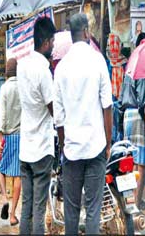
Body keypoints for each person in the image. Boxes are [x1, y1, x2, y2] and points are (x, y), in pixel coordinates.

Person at [54, 14, 113, 236]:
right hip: (96, 147)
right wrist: (108, 143)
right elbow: (107, 106)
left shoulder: (61, 68)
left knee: (71, 211)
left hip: (72, 150)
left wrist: (63, 145)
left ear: (71, 34)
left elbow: (58, 118)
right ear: (87, 32)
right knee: (93, 211)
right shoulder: (97, 61)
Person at [17, 16, 56, 235]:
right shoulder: (43, 71)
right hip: (41, 148)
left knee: (27, 208)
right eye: (53, 42)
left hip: (26, 148)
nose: (53, 47)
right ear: (47, 42)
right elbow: (53, 110)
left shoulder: (22, 65)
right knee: (39, 210)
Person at [121, 32, 145, 210]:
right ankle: (136, 204)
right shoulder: (142, 67)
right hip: (138, 115)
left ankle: (129, 202)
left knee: (130, 161)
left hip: (127, 115)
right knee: (141, 163)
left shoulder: (130, 65)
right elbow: (143, 99)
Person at [0, 57, 22, 227]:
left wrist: (0, 138)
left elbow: (2, 115)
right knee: (18, 175)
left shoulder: (4, 88)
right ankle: (13, 214)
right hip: (22, 136)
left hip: (7, 135)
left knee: (0, 169)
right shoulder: (23, 86)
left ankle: (4, 198)